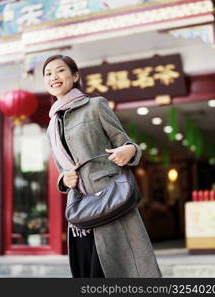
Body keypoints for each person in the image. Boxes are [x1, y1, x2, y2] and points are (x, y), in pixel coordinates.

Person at [43, 54, 162, 278]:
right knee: (89, 272)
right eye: (48, 74)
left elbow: (125, 143)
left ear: (75, 76)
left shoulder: (95, 106)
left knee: (120, 269)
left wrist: (130, 150)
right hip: (82, 210)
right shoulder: (51, 126)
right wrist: (64, 179)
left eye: (60, 70)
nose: (53, 77)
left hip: (111, 199)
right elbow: (62, 168)